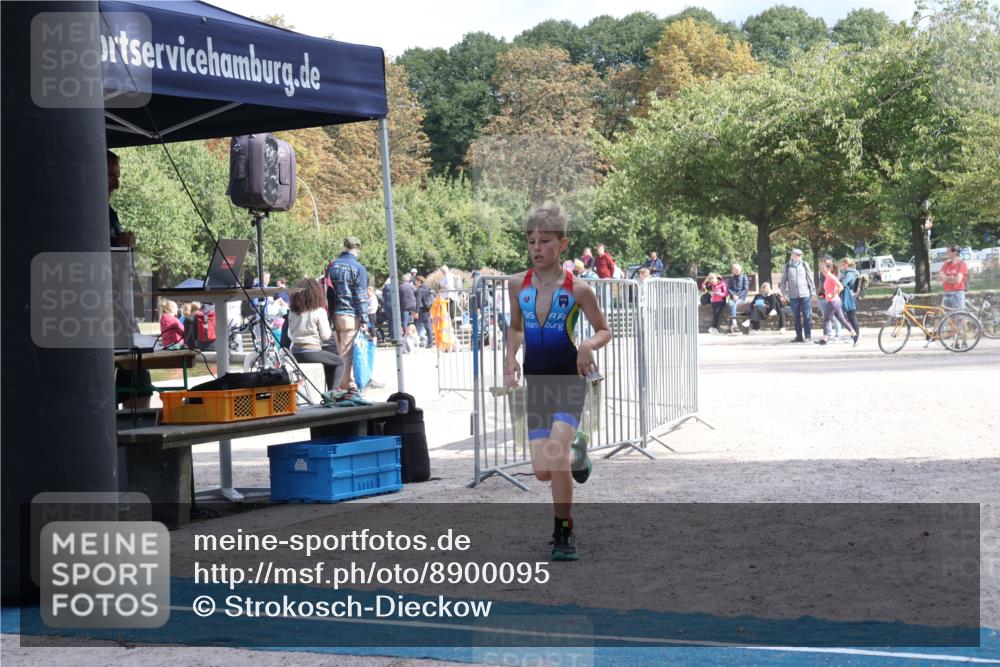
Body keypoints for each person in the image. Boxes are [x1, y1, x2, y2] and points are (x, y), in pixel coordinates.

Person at [504, 206, 612, 561]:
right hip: (537, 386)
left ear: (562, 244)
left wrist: (587, 345)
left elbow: (604, 330)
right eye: (531, 241)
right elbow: (517, 328)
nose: (537, 247)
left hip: (568, 382)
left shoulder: (579, 289)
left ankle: (563, 531)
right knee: (540, 471)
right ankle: (578, 452)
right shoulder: (517, 285)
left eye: (545, 241)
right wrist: (510, 358)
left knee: (555, 456)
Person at [287, 278, 347, 396]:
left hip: (294, 353)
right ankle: (332, 393)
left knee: (329, 361)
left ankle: (330, 393)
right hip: (312, 352)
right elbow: (325, 336)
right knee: (339, 362)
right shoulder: (319, 311)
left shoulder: (292, 312)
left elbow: (290, 334)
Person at [325, 237, 369, 391]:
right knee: (346, 353)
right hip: (350, 315)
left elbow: (327, 291)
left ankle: (348, 382)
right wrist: (364, 319)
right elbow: (360, 295)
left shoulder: (332, 266)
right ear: (358, 249)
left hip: (334, 315)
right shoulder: (358, 268)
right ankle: (340, 386)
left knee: (340, 350)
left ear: (344, 247)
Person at [815, 263, 858, 346]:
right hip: (834, 301)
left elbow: (841, 287)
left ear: (828, 269)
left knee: (826, 320)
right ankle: (854, 334)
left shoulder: (831, 277)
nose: (822, 270)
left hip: (833, 302)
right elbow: (830, 288)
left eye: (823, 268)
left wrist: (833, 294)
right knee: (842, 320)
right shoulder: (827, 277)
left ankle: (824, 339)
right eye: (821, 268)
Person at [779, 248, 816, 343]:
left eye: (800, 255)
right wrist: (784, 293)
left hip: (805, 294)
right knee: (796, 317)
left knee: (807, 316)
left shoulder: (804, 264)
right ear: (793, 256)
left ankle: (808, 336)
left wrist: (813, 292)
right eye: (798, 255)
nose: (800, 257)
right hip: (793, 296)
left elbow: (810, 278)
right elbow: (783, 282)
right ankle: (799, 336)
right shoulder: (787, 266)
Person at [816, 258, 842, 341]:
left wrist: (834, 294)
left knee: (835, 317)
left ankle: (838, 334)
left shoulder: (835, 272)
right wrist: (819, 293)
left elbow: (838, 285)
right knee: (826, 317)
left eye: (827, 262)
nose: (825, 264)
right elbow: (821, 284)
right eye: (824, 262)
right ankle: (829, 334)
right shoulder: (822, 273)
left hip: (832, 297)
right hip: (823, 296)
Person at [940, 244, 969, 311]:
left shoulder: (962, 264)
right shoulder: (946, 264)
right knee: (947, 317)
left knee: (960, 316)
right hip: (947, 293)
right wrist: (952, 278)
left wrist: (946, 278)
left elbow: (958, 280)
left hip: (957, 293)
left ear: (955, 252)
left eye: (949, 251)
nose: (947, 253)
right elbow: (941, 277)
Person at [838, 258, 861, 341]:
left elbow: (843, 284)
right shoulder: (847, 273)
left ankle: (856, 335)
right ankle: (854, 334)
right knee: (850, 317)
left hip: (850, 297)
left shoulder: (849, 274)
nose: (840, 266)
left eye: (842, 264)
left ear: (846, 265)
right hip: (849, 296)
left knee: (852, 317)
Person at [726, 263, 749, 332]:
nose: (737, 271)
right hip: (732, 297)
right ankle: (734, 323)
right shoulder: (730, 278)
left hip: (741, 297)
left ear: (740, 270)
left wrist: (738, 296)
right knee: (730, 304)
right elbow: (729, 288)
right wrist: (733, 295)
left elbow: (745, 289)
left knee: (733, 305)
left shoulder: (744, 277)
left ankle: (731, 325)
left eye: (738, 269)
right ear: (732, 270)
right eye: (735, 269)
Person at [415, 275, 435, 347]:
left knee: (419, 326)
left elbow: (418, 301)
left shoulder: (419, 290)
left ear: (419, 281)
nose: (415, 282)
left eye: (416, 281)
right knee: (428, 326)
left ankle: (418, 342)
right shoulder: (427, 288)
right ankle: (430, 343)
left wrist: (416, 312)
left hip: (422, 310)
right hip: (428, 308)